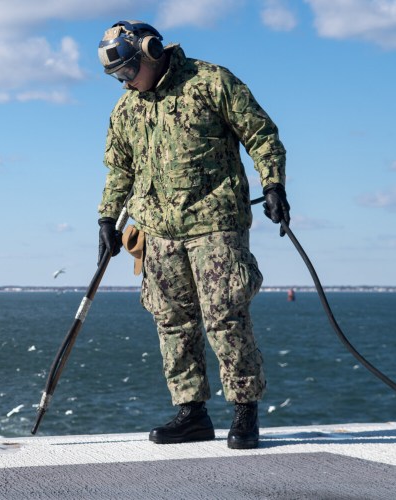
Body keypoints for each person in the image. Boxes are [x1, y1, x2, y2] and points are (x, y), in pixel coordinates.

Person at [96, 20, 290, 450]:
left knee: (225, 314)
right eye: (117, 77)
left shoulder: (209, 82)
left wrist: (273, 184)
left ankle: (244, 412)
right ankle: (192, 414)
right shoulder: (127, 109)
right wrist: (107, 219)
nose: (125, 83)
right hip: (159, 231)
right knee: (171, 321)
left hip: (214, 223)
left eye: (128, 72)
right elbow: (119, 169)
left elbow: (261, 134)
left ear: (151, 51)